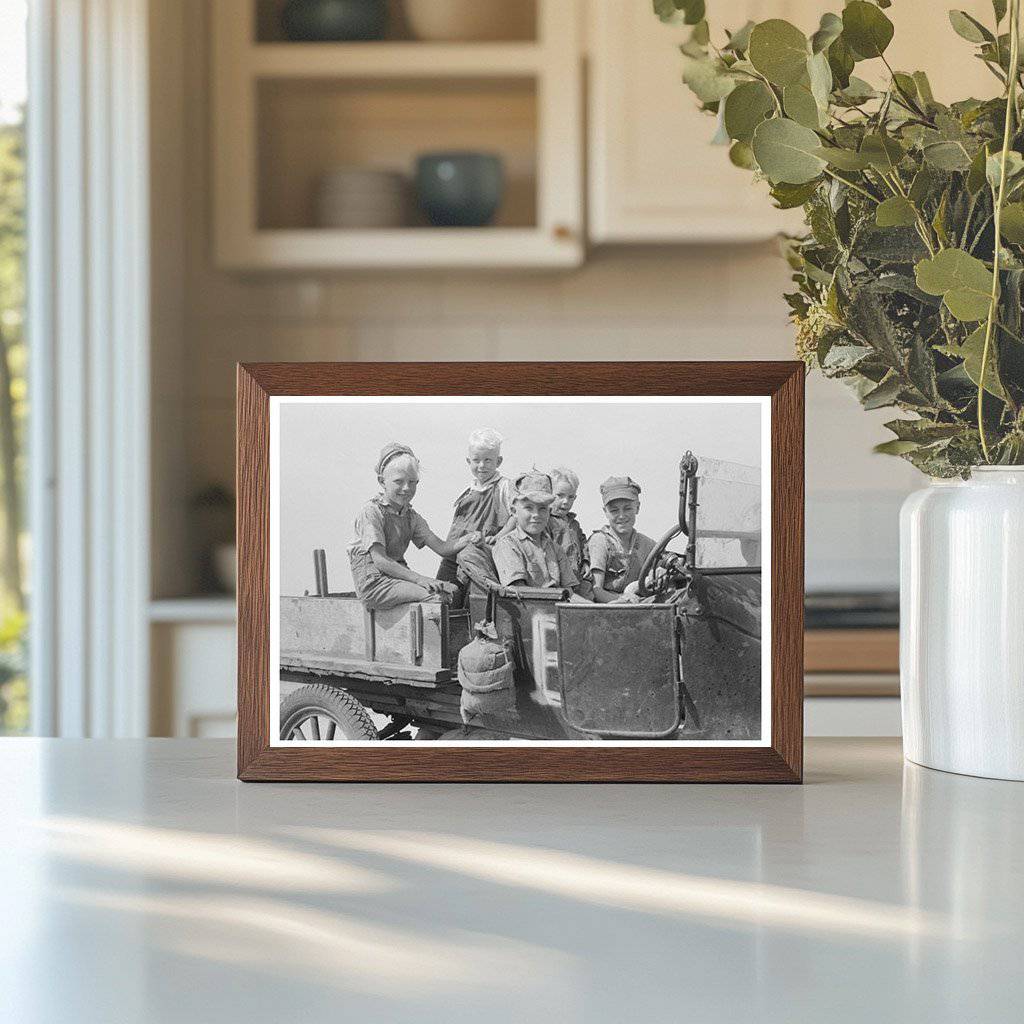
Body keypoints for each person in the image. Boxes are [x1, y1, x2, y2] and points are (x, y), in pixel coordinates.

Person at [348, 442, 481, 611]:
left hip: (397, 579)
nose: (406, 488)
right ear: (382, 481)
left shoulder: (411, 517)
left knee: (453, 590)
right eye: (399, 482)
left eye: (412, 482)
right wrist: (420, 579)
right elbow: (381, 561)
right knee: (439, 597)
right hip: (374, 583)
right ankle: (423, 633)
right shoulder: (371, 512)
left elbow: (443, 548)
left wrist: (469, 538)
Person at [436, 428, 516, 583]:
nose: (481, 465)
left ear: (498, 461)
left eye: (488, 460)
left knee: (475, 600)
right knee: (444, 595)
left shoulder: (504, 486)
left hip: (482, 556)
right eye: (476, 460)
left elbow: (516, 516)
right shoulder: (468, 491)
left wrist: (499, 537)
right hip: (454, 556)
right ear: (468, 461)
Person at [491, 470, 580, 591]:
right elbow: (519, 592)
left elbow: (570, 594)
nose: (536, 515)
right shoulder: (508, 545)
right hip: (530, 607)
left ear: (549, 511)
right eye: (528, 508)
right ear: (514, 511)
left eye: (542, 508)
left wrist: (596, 609)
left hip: (556, 607)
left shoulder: (555, 548)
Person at [588, 475, 656, 603]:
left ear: (638, 507)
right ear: (605, 512)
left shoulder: (648, 545)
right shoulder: (600, 541)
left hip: (640, 608)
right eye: (614, 510)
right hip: (608, 610)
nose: (621, 516)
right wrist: (624, 601)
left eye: (628, 508)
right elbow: (596, 590)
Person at [548, 466, 594, 600]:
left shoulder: (574, 523)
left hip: (577, 577)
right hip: (559, 580)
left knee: (590, 595)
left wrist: (585, 562)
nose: (565, 502)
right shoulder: (547, 522)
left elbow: (583, 542)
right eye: (560, 495)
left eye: (571, 497)